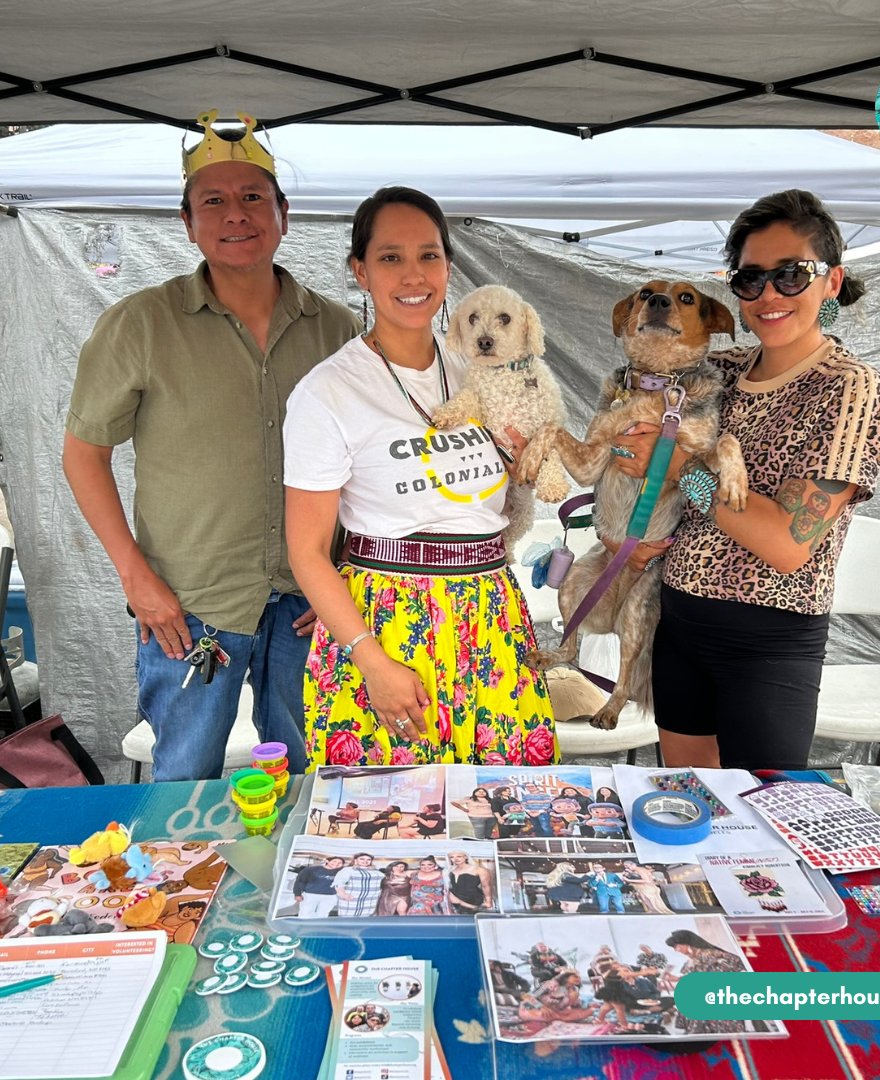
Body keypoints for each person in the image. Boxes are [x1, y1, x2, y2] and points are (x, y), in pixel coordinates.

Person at [63, 111, 360, 782]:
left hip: (307, 601)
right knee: (182, 782)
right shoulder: (140, 323)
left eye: (253, 197)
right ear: (187, 220)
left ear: (283, 212)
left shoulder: (335, 329)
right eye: (214, 201)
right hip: (188, 603)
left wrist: (346, 569)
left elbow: (362, 465)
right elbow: (83, 455)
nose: (236, 215)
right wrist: (137, 579)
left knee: (309, 779)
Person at [611, 189, 880, 772]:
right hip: (678, 622)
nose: (769, 294)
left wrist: (678, 470)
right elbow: (631, 445)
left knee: (763, 824)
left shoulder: (849, 388)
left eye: (792, 275)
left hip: (768, 644)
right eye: (751, 278)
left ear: (831, 282)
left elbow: (787, 543)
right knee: (690, 809)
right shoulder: (718, 372)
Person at [283, 185, 557, 767]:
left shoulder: (483, 367)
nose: (413, 275)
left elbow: (538, 457)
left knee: (504, 814)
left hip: (490, 611)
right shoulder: (329, 391)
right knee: (387, 824)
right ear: (359, 270)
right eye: (390, 257)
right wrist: (370, 659)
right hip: (386, 621)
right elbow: (307, 551)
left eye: (428, 255)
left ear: (448, 267)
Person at [663, 929, 748, 1034]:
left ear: (687, 943)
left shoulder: (711, 955)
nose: (677, 950)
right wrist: (677, 978)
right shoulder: (691, 960)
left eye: (677, 946)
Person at [333, 852, 385, 917]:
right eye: (362, 859)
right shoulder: (348, 870)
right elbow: (338, 883)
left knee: (367, 920)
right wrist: (343, 894)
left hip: (371, 901)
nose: (365, 861)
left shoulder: (377, 872)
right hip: (352, 900)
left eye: (368, 859)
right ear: (356, 860)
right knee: (348, 919)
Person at [446, 849, 492, 913]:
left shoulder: (479, 870)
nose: (455, 859)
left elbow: (486, 886)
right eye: (452, 857)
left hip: (473, 900)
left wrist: (488, 902)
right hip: (455, 902)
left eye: (459, 856)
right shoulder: (450, 871)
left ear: (466, 857)